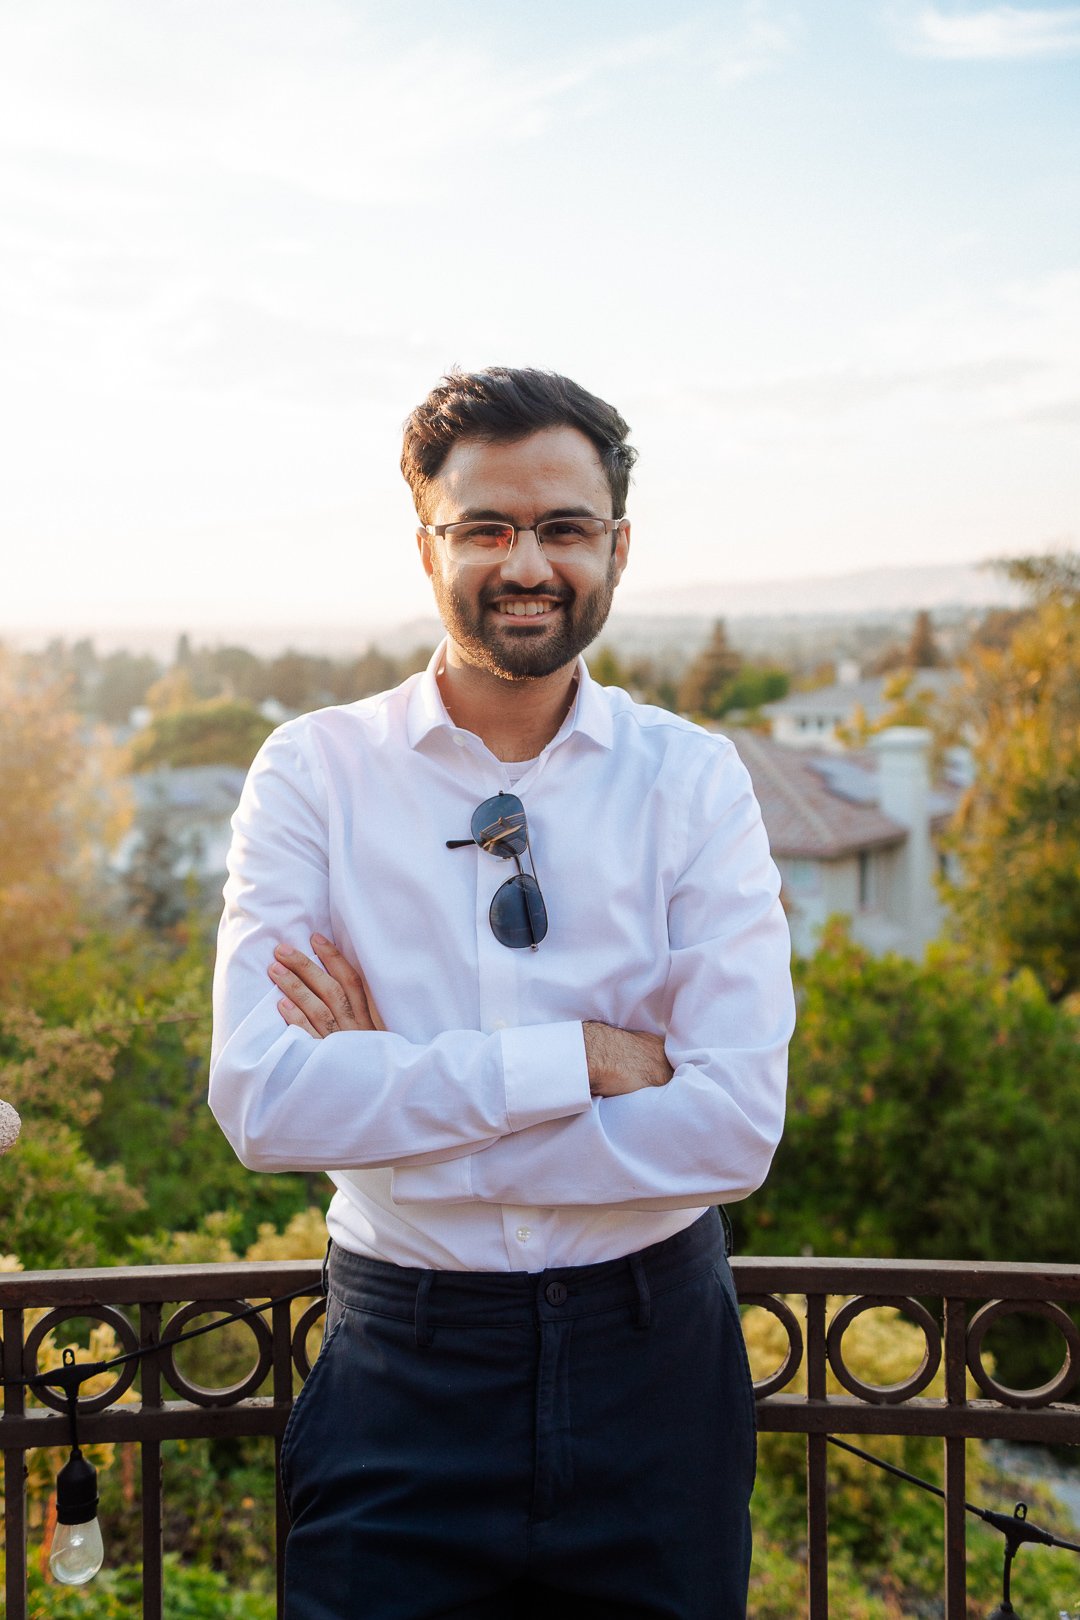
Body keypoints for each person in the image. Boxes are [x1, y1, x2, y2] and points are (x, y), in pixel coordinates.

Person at [210, 366, 794, 1620]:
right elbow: (263, 1104)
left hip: (657, 1366)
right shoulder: (315, 773)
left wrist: (397, 1105)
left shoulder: (693, 781)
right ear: (426, 545)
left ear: (617, 548)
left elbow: (734, 1127)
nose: (527, 562)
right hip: (399, 1371)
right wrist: (575, 1060)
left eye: (564, 528)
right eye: (486, 527)